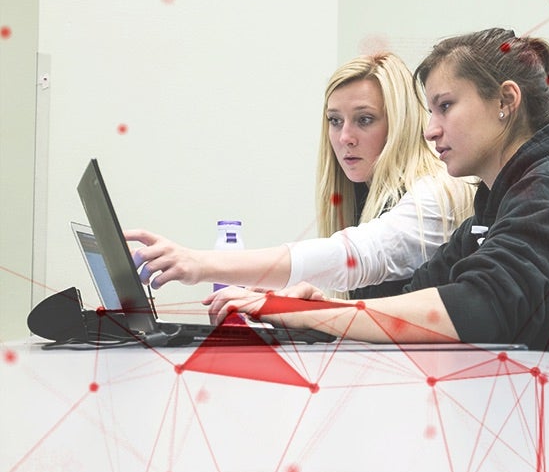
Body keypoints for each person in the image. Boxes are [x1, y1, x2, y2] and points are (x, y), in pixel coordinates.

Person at [205, 28, 549, 361]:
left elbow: (483, 310)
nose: (430, 130)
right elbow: (420, 296)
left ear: (506, 102)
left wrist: (315, 313)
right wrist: (323, 310)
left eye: (446, 107)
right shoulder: (496, 205)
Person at [125, 53, 474, 299]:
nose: (344, 137)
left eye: (364, 119)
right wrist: (304, 310)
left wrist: (200, 263)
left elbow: (353, 257)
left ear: (400, 124)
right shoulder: (363, 198)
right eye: (335, 120)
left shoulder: (436, 194)